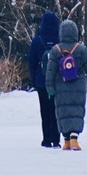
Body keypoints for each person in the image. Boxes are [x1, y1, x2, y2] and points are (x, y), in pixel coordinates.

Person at [45, 19, 87, 150]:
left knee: (62, 111)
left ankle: (66, 140)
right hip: (78, 85)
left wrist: (49, 87)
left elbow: (50, 71)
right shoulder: (81, 49)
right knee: (77, 110)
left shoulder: (55, 50)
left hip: (61, 86)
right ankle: (74, 138)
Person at [27, 11, 61, 147]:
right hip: (57, 80)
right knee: (55, 109)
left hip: (41, 81)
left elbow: (31, 62)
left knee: (45, 111)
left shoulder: (37, 40)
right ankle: (56, 138)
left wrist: (34, 79)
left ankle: (46, 139)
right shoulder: (60, 39)